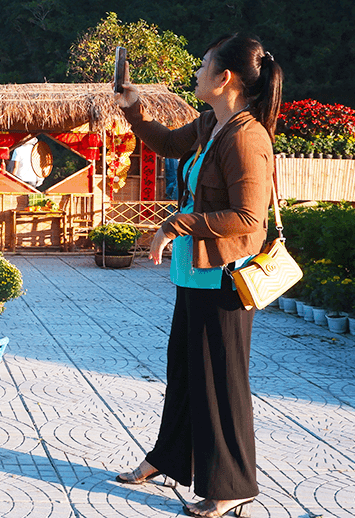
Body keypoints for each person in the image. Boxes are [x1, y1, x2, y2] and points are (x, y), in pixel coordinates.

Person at [112, 34, 282, 518]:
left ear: (224, 78)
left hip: (227, 279)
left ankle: (234, 484)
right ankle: (168, 457)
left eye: (204, 64)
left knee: (222, 383)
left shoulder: (247, 136)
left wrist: (174, 223)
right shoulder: (212, 123)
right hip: (197, 274)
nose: (197, 71)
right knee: (186, 372)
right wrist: (134, 107)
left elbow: (249, 219)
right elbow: (167, 143)